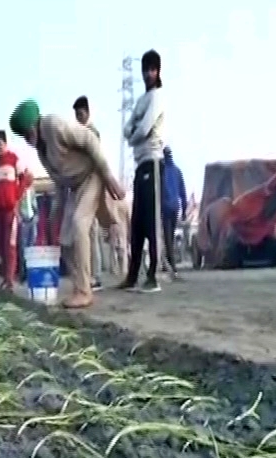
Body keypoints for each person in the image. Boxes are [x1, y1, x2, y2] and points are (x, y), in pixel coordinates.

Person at [9, 99, 125, 309]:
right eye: (24, 137)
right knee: (65, 238)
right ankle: (82, 282)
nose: (28, 139)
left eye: (28, 132)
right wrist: (56, 210)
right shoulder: (42, 150)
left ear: (35, 123)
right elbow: (60, 180)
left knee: (80, 225)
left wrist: (108, 177)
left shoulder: (54, 125)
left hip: (92, 175)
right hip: (75, 186)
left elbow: (90, 140)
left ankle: (84, 291)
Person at [120, 49, 166, 293]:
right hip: (140, 165)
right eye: (145, 69)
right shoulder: (141, 100)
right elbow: (128, 129)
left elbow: (143, 129)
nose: (148, 74)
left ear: (158, 71)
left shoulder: (157, 97)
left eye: (152, 69)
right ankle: (132, 275)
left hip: (154, 162)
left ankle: (153, 276)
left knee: (150, 221)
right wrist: (135, 132)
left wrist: (135, 133)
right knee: (136, 222)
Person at [0, 131, 32, 291]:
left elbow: (26, 177)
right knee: (0, 245)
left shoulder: (14, 159)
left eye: (0, 144)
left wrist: (17, 196)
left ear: (5, 143)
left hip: (10, 210)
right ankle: (5, 277)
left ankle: (10, 279)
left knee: (10, 244)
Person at [73, 95, 106, 291]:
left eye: (81, 113)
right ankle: (90, 275)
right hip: (82, 185)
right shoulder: (78, 133)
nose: (78, 117)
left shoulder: (92, 133)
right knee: (87, 232)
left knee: (91, 232)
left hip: (92, 183)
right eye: (76, 115)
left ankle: (96, 276)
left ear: (87, 112)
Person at [162, 146, 187, 280]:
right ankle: (170, 265)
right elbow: (183, 192)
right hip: (175, 207)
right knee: (170, 237)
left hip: (165, 208)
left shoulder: (161, 171)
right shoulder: (177, 171)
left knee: (167, 238)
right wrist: (184, 211)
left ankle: (172, 267)